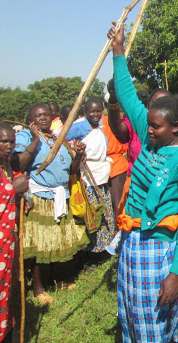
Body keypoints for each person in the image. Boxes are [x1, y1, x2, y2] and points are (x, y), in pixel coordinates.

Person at [109, 22, 178, 343]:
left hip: (162, 251)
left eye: (156, 127)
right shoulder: (149, 136)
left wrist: (175, 275)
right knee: (132, 315)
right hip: (133, 242)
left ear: (176, 126)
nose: (147, 132)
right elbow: (126, 91)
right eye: (147, 124)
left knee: (157, 325)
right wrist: (118, 48)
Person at [11, 103, 88, 305]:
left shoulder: (57, 138)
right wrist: (36, 139)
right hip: (40, 198)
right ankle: (38, 288)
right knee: (40, 244)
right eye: (38, 115)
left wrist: (78, 155)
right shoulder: (26, 137)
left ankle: (58, 280)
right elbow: (18, 163)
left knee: (58, 241)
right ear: (31, 120)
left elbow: (71, 169)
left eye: (46, 114)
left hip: (59, 197)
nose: (44, 118)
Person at [0, 123, 29, 342]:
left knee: (6, 290)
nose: (9, 146)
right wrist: (11, 189)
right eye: (3, 141)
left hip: (5, 241)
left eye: (12, 142)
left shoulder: (5, 164)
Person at [66, 97, 115, 255]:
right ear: (85, 112)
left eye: (99, 111)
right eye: (92, 111)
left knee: (104, 210)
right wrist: (75, 151)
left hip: (101, 174)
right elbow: (60, 139)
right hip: (87, 175)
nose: (96, 114)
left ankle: (102, 247)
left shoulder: (100, 128)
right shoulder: (79, 127)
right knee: (91, 212)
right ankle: (89, 250)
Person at [102, 92, 129, 217]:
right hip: (107, 164)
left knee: (117, 201)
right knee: (114, 201)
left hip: (117, 164)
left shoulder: (123, 120)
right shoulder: (102, 121)